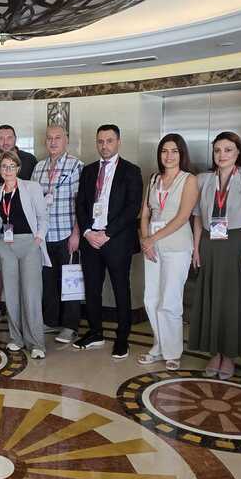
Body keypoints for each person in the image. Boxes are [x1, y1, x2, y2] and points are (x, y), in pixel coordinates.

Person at [189, 131, 241, 379]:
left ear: (238, 152)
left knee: (233, 301)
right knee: (211, 298)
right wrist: (196, 248)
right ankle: (215, 352)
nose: (222, 155)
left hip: (238, 244)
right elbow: (197, 217)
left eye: (228, 150)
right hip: (209, 244)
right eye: (217, 150)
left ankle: (230, 355)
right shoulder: (203, 179)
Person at [73, 124, 143, 358]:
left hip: (116, 240)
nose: (104, 146)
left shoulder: (131, 171)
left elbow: (132, 207)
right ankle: (95, 333)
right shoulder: (88, 170)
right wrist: (87, 232)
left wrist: (108, 233)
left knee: (121, 288)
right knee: (92, 289)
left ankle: (122, 338)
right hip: (90, 239)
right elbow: (80, 204)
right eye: (100, 141)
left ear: (118, 142)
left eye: (109, 141)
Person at [137, 134, 199, 371]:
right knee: (150, 298)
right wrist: (145, 240)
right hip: (152, 246)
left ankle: (173, 351)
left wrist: (151, 239)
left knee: (170, 300)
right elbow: (145, 214)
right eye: (164, 151)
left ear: (182, 154)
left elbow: (183, 217)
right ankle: (159, 346)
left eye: (174, 151)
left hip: (176, 246)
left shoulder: (189, 180)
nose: (169, 156)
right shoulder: (154, 179)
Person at [0, 149, 52, 359]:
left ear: (18, 168)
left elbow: (43, 217)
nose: (8, 170)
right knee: (11, 294)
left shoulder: (31, 187)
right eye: (4, 166)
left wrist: (38, 240)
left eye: (12, 166)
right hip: (7, 245)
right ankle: (16, 338)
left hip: (29, 244)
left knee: (31, 294)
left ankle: (36, 343)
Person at [0, 124, 37, 329]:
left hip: (25, 229)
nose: (5, 142)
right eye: (1, 138)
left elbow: (35, 190)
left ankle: (23, 313)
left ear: (15, 139)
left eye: (9, 137)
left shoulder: (29, 160)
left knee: (24, 270)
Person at [31, 124, 83, 344]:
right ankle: (51, 320)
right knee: (48, 281)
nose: (53, 142)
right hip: (44, 236)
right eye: (49, 138)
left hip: (67, 234)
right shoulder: (39, 168)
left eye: (58, 138)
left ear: (66, 140)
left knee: (70, 280)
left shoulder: (75, 165)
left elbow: (81, 203)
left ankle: (70, 326)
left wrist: (76, 233)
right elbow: (33, 202)